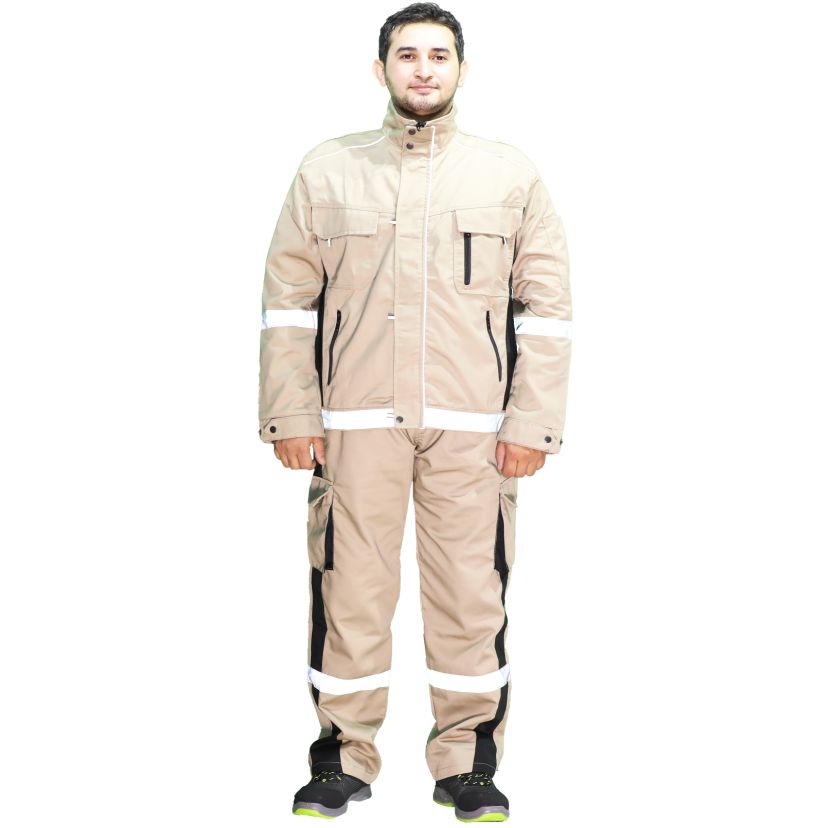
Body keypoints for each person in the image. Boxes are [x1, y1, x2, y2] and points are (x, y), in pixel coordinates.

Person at [258, 3, 572, 821]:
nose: (423, 69)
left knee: (472, 598)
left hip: (475, 432)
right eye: (407, 55)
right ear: (381, 69)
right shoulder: (328, 170)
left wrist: (532, 423)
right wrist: (291, 412)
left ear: (462, 69)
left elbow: (546, 311)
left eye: (438, 55)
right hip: (352, 425)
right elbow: (287, 305)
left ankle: (468, 765)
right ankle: (341, 759)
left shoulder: (508, 175)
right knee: (348, 594)